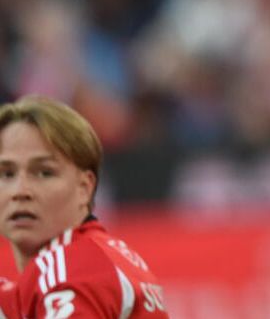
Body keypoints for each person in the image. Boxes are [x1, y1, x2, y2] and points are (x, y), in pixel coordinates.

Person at [0, 96, 170, 319]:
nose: (20, 191)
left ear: (85, 187)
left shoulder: (67, 270)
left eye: (44, 173)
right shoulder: (102, 257)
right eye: (6, 173)